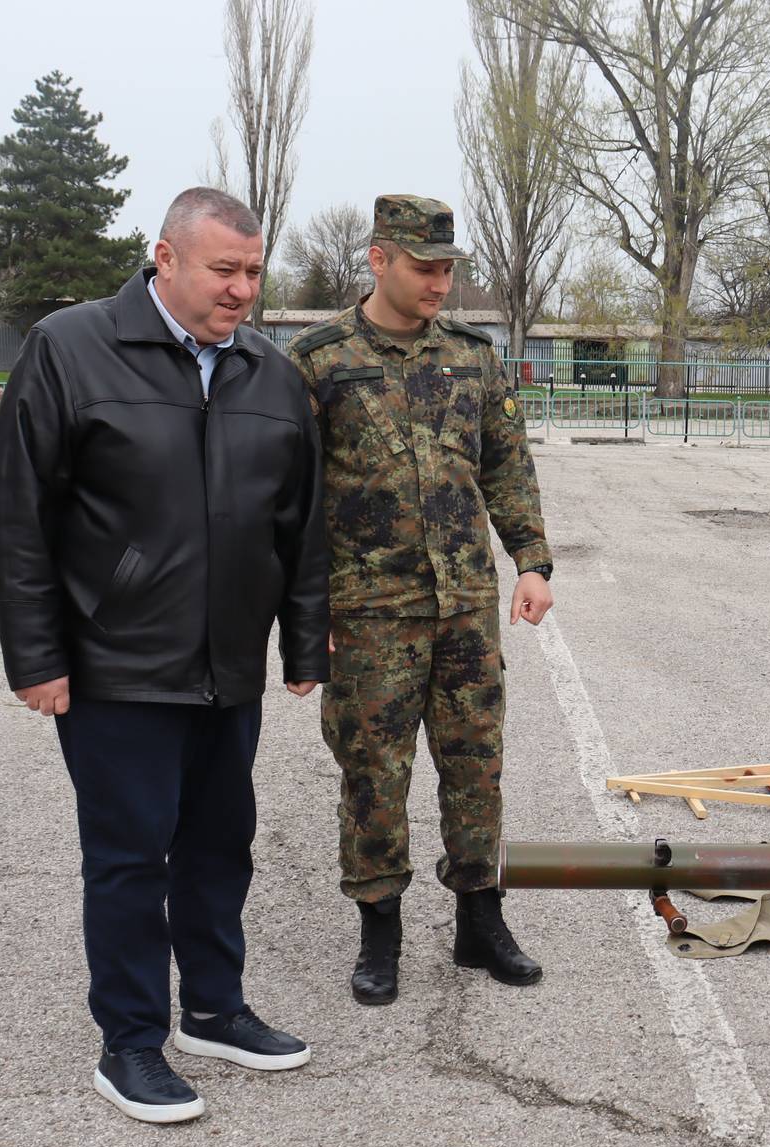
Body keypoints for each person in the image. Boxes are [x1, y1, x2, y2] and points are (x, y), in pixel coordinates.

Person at [0, 187, 329, 1125]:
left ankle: (214, 1010)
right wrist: (35, 656)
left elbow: (300, 523)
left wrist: (302, 641)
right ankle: (130, 1043)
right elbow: (18, 517)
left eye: (254, 272)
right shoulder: (71, 347)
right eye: (224, 270)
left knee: (220, 847)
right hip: (116, 666)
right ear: (164, 259)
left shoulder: (269, 373)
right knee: (130, 859)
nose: (243, 291)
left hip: (229, 668)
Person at [288, 195, 554, 1007]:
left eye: (448, 268)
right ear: (379, 260)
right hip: (368, 612)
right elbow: (291, 499)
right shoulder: (318, 361)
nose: (441, 282)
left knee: (477, 764)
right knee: (375, 771)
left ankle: (480, 916)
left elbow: (506, 462)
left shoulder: (474, 357)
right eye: (425, 267)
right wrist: (304, 621)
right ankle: (381, 931)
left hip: (465, 602)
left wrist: (532, 560)